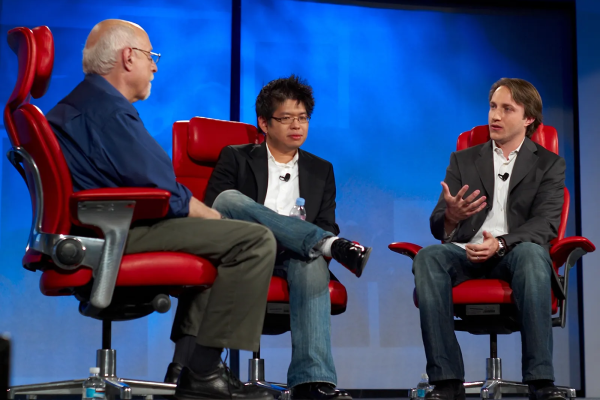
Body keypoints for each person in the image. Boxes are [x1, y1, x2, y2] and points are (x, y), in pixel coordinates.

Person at [46, 19, 277, 400]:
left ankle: (186, 368)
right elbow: (166, 192)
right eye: (151, 56)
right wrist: (218, 220)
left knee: (223, 243)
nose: (155, 66)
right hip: (118, 232)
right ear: (128, 57)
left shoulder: (81, 103)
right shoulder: (108, 111)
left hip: (101, 228)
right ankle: (203, 370)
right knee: (253, 241)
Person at [167, 76, 371, 400]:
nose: (296, 125)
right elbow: (216, 210)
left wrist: (309, 236)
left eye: (302, 118)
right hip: (244, 250)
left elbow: (326, 222)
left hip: (295, 256)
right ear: (264, 122)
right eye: (286, 118)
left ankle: (312, 383)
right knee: (231, 199)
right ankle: (326, 245)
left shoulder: (322, 170)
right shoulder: (235, 157)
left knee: (313, 261)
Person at [413, 78, 567, 400]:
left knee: (532, 253)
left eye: (507, 109)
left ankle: (540, 382)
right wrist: (452, 216)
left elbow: (546, 225)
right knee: (428, 256)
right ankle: (447, 381)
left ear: (529, 119)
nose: (495, 116)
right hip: (465, 251)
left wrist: (500, 243)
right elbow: (438, 225)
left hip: (515, 254)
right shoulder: (464, 160)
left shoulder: (549, 164)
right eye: (493, 107)